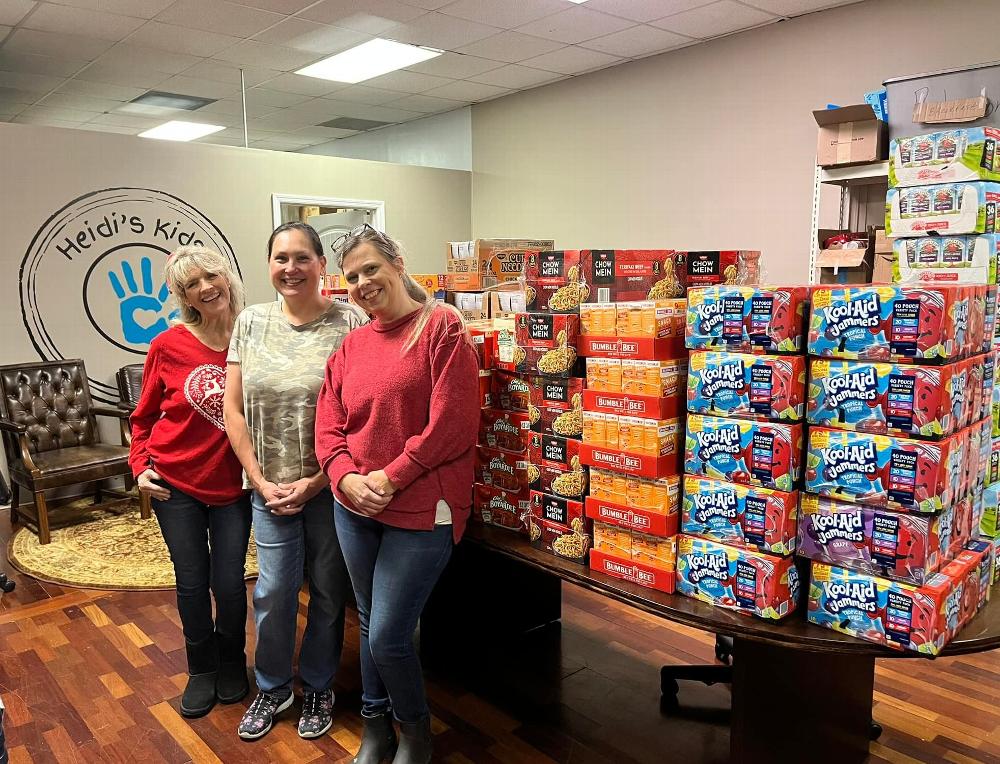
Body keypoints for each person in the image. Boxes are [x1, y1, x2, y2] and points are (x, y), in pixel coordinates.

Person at [315, 225, 480, 764]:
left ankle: (414, 733)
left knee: (387, 634)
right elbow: (328, 423)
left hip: (421, 505)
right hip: (355, 506)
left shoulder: (441, 326)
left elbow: (454, 423)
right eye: (352, 276)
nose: (362, 283)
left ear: (397, 264)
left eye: (371, 269)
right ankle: (375, 726)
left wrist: (391, 476)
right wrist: (344, 478)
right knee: (369, 621)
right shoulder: (352, 344)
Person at [224, 222, 367, 742]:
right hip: (269, 489)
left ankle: (320, 685)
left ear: (322, 265)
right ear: (269, 265)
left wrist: (317, 482)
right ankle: (273, 687)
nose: (291, 268)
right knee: (274, 590)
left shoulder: (350, 321)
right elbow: (233, 409)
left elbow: (361, 416)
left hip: (332, 488)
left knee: (329, 591)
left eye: (302, 257)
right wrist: (259, 480)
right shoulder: (250, 322)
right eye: (281, 258)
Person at [129, 246, 251, 719]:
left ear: (226, 276)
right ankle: (201, 668)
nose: (205, 288)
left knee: (230, 582)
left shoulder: (255, 334)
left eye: (210, 276)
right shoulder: (168, 345)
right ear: (184, 297)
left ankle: (231, 660)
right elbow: (143, 417)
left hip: (234, 486)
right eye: (190, 285)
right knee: (192, 582)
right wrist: (140, 466)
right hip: (174, 482)